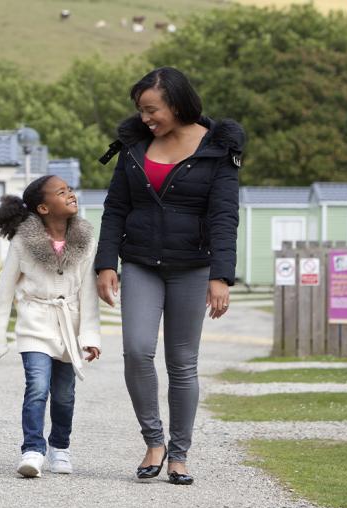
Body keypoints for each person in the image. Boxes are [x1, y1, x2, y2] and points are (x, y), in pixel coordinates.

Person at [94, 67, 243, 485]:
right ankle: (154, 441)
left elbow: (224, 217)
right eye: (141, 111)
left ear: (176, 104)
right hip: (140, 262)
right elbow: (115, 208)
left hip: (193, 268)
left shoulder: (219, 149)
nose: (145, 118)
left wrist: (221, 276)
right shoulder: (133, 147)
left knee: (182, 363)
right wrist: (106, 263)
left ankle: (179, 454)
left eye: (151, 109)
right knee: (138, 350)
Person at [0, 175, 102, 478]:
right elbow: (4, 292)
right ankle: (33, 450)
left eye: (70, 190)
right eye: (61, 192)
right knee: (37, 387)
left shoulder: (87, 240)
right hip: (34, 324)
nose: (70, 195)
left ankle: (60, 447)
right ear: (43, 207)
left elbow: (88, 292)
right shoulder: (23, 241)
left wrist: (90, 336)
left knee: (64, 394)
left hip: (70, 328)